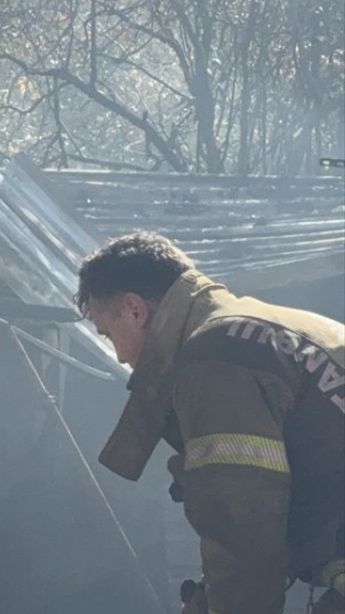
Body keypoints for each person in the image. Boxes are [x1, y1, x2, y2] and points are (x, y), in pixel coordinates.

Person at [77, 232, 344, 614]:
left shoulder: (213, 359)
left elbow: (245, 529)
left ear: (135, 310)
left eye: (108, 333)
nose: (119, 356)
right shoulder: (279, 325)